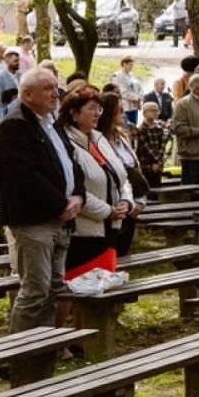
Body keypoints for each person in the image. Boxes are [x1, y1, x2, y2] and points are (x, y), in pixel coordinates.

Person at [0, 69, 82, 332]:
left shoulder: (50, 122)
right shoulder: (14, 125)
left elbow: (71, 162)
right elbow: (26, 176)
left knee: (53, 290)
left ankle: (40, 350)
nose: (55, 93)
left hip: (60, 219)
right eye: (47, 88)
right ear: (27, 94)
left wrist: (78, 195)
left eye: (56, 87)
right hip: (33, 221)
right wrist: (62, 204)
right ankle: (16, 357)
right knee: (35, 291)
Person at [58, 87, 132, 273]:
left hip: (111, 229)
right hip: (84, 233)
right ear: (74, 112)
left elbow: (122, 178)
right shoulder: (65, 143)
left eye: (99, 109)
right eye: (91, 108)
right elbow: (73, 190)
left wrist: (126, 201)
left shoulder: (98, 138)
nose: (98, 113)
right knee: (83, 290)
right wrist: (108, 211)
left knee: (107, 288)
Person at [97, 93, 147, 255]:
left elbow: (135, 169)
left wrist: (139, 201)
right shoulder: (99, 140)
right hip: (115, 204)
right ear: (109, 113)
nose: (124, 114)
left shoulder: (121, 137)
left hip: (132, 200)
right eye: (120, 110)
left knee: (124, 251)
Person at [135, 101, 170, 190]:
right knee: (148, 189)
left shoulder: (159, 129)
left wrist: (160, 162)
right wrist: (155, 162)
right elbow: (147, 148)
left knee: (158, 187)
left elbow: (162, 146)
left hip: (158, 165)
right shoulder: (140, 130)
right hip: (146, 165)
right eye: (152, 110)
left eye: (157, 110)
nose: (155, 112)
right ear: (144, 113)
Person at [110, 57, 143, 125]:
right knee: (125, 127)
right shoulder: (117, 76)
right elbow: (121, 91)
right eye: (130, 65)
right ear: (124, 64)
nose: (131, 67)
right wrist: (135, 98)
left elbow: (139, 87)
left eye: (132, 65)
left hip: (134, 107)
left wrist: (139, 97)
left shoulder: (132, 75)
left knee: (133, 127)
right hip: (125, 107)